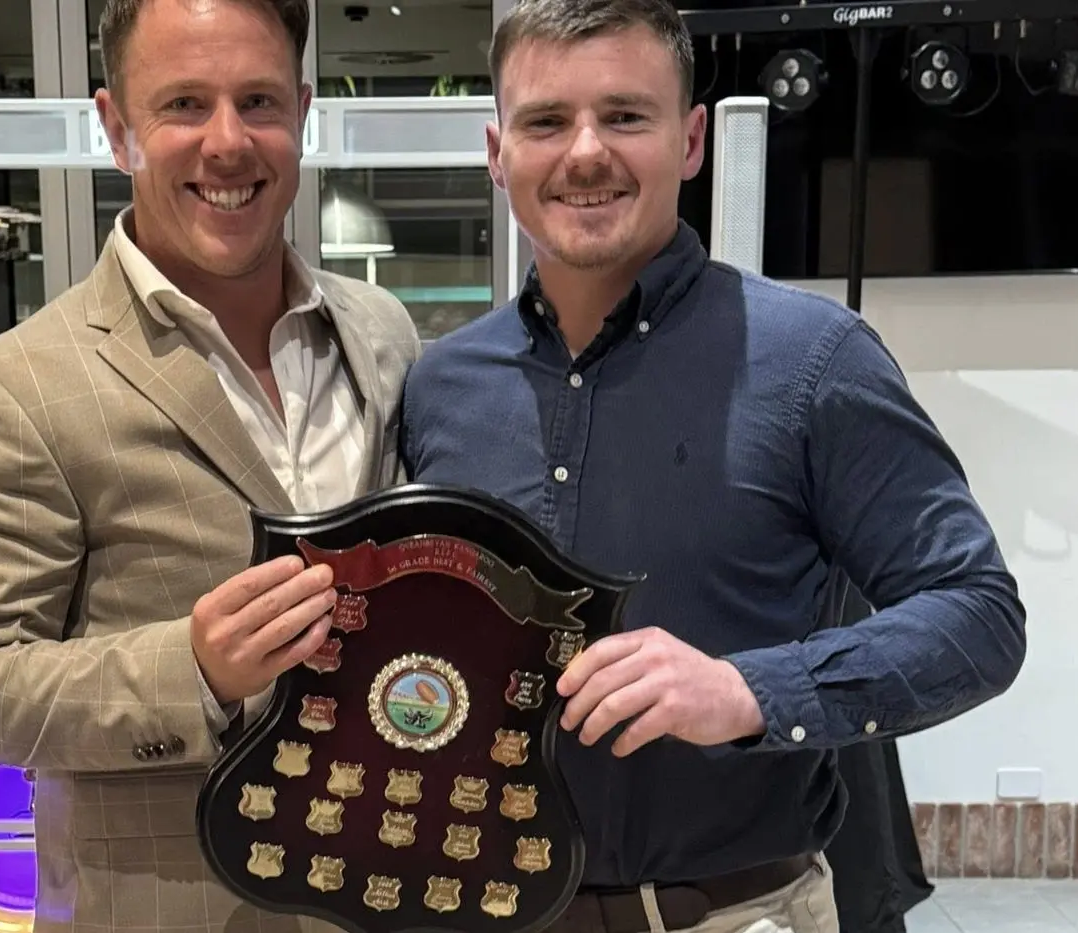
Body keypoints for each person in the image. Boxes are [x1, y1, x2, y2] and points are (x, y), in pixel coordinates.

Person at [398, 1, 1027, 931]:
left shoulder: (816, 362)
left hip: (741, 914)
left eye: (624, 116)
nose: (584, 152)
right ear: (498, 151)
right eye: (545, 121)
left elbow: (979, 615)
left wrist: (747, 691)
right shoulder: (438, 386)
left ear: (691, 138)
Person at [0, 0, 419, 930]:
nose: (227, 143)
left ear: (301, 113)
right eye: (184, 103)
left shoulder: (380, 334)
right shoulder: (10, 387)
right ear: (116, 127)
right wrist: (190, 668)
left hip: (380, 893)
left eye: (258, 101)